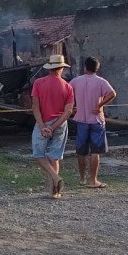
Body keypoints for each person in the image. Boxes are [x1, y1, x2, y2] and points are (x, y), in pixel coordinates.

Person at [31, 54, 76, 199]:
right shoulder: (68, 87)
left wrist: (43, 126)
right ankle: (54, 192)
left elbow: (35, 107)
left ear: (50, 68)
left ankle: (55, 178)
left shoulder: (38, 83)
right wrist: (54, 126)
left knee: (38, 154)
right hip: (60, 123)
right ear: (61, 68)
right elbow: (69, 111)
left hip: (42, 122)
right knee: (55, 157)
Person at [69, 56, 117, 189]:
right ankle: (93, 180)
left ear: (85, 67)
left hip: (81, 120)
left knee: (81, 151)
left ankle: (82, 179)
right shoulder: (101, 81)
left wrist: (72, 106)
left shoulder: (75, 81)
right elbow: (112, 93)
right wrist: (100, 104)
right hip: (96, 120)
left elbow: (67, 93)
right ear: (97, 68)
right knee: (95, 151)